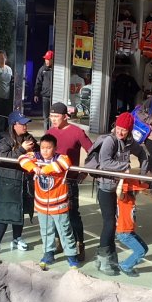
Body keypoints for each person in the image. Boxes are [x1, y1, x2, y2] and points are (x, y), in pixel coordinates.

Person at [88, 112, 149, 276]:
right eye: (119, 129)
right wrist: (125, 167)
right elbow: (105, 162)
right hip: (107, 187)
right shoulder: (110, 140)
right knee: (109, 223)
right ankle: (103, 259)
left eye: (124, 130)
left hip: (120, 189)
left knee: (113, 224)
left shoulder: (129, 142)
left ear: (129, 131)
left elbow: (143, 154)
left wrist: (142, 174)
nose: (120, 132)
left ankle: (107, 257)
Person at [19, 134, 80, 270]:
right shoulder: (35, 157)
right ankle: (48, 253)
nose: (45, 151)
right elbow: (21, 158)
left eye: (49, 148)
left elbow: (66, 163)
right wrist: (34, 168)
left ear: (55, 148)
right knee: (46, 230)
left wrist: (44, 169)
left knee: (65, 230)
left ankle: (71, 255)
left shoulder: (60, 158)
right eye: (43, 148)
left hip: (59, 205)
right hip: (42, 205)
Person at [45, 102, 93, 262]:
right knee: (54, 213)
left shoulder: (77, 132)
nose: (53, 119)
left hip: (69, 180)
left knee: (72, 214)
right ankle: (59, 241)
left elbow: (92, 152)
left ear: (65, 116)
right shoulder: (50, 132)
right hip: (52, 180)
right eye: (51, 116)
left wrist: (84, 171)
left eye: (56, 116)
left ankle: (79, 244)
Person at [0, 111, 34, 255]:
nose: (25, 126)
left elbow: (37, 154)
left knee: (19, 211)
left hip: (22, 182)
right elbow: (1, 157)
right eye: (22, 123)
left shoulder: (29, 139)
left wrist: (34, 153)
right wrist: (21, 150)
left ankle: (17, 238)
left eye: (26, 123)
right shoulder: (5, 140)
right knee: (5, 212)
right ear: (14, 125)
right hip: (7, 183)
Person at [115, 179, 149, 277]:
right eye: (137, 189)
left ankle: (125, 263)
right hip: (124, 232)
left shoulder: (131, 198)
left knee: (144, 249)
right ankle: (126, 266)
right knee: (140, 251)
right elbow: (118, 192)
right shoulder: (124, 198)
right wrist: (122, 179)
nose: (139, 191)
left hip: (129, 231)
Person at [0, 51, 14, 132]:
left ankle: (6, 132)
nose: (1, 60)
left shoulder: (9, 69)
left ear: (5, 58)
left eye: (2, 58)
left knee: (6, 116)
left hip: (7, 98)